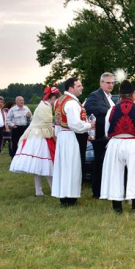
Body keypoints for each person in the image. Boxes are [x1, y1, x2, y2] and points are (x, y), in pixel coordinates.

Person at [100, 80, 135, 214]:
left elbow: (106, 131)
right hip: (134, 143)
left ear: (119, 94)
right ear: (133, 94)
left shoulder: (112, 110)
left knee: (115, 174)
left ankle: (117, 207)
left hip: (116, 143)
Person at [10, 87, 60, 196]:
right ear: (53, 98)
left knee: (39, 165)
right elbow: (46, 125)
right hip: (40, 137)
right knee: (47, 164)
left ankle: (39, 191)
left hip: (35, 135)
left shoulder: (42, 104)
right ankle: (53, 190)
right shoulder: (45, 107)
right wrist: (55, 135)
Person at [52, 77, 93, 207]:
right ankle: (70, 198)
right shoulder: (71, 103)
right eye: (79, 86)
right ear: (71, 88)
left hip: (63, 136)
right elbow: (75, 124)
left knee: (64, 167)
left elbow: (57, 122)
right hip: (72, 136)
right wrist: (89, 125)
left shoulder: (59, 101)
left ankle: (64, 196)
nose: (82, 88)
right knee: (73, 167)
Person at [83, 72, 116, 199]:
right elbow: (88, 107)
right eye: (108, 82)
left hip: (108, 135)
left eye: (112, 83)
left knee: (105, 164)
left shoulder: (109, 97)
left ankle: (104, 189)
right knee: (99, 163)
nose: (110, 85)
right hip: (100, 136)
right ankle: (97, 192)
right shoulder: (95, 95)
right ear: (101, 83)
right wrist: (108, 111)